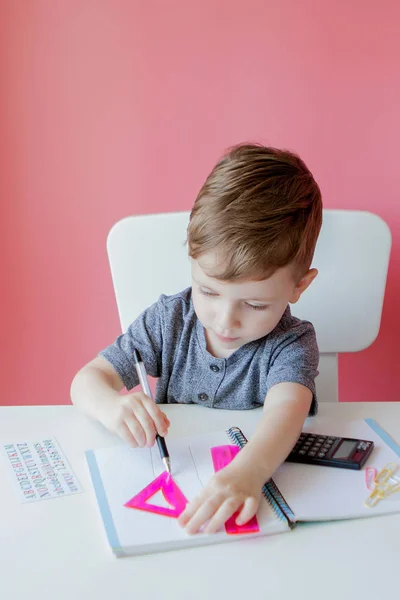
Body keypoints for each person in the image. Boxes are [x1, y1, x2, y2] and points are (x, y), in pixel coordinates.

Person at [70, 143, 322, 535]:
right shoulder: (168, 321)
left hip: (248, 496)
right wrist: (110, 408)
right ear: (191, 259)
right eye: (207, 291)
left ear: (299, 286)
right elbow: (86, 381)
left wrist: (248, 472)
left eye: (255, 304)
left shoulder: (292, 344)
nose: (225, 320)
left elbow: (284, 416)